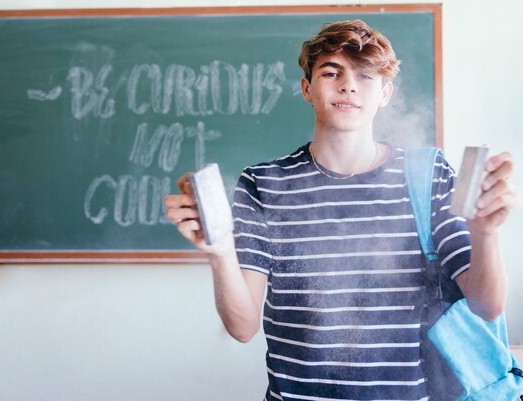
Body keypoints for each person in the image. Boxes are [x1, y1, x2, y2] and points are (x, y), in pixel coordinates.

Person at [164, 20, 516, 401]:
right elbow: (242, 327)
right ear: (306, 88)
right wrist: (220, 253)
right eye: (331, 72)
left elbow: (487, 306)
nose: (348, 84)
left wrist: (485, 232)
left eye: (365, 76)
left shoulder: (427, 175)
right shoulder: (262, 184)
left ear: (385, 93)